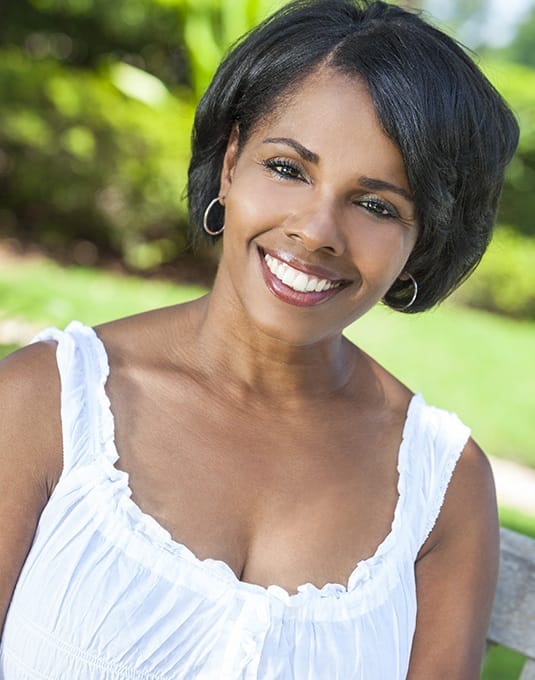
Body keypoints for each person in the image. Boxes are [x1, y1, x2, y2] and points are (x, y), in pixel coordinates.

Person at [0, 0, 519, 678]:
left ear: (422, 241)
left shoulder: (441, 486)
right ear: (230, 164)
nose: (317, 230)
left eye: (375, 205)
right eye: (287, 168)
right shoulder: (46, 402)